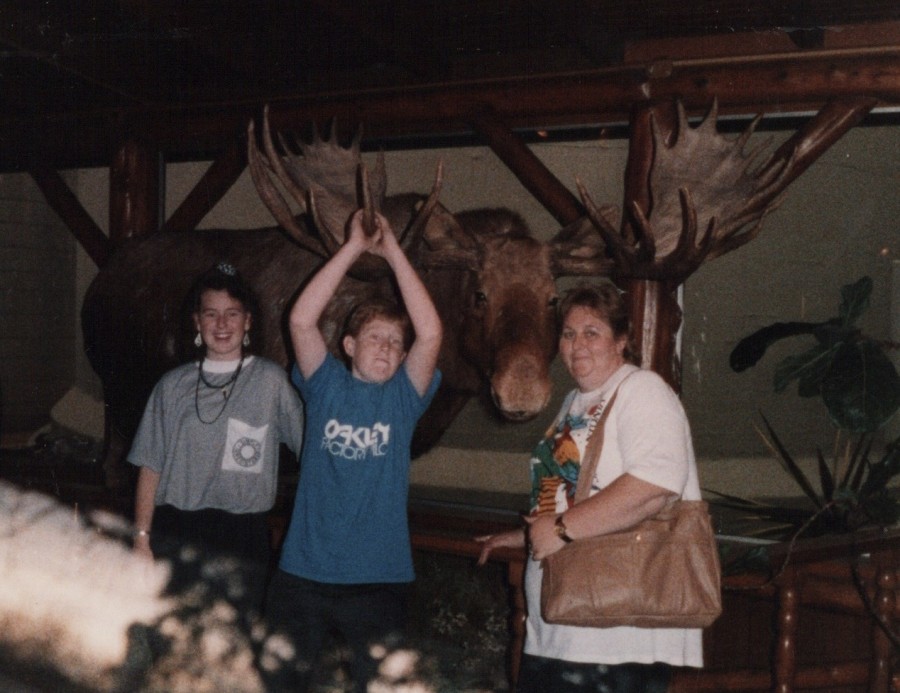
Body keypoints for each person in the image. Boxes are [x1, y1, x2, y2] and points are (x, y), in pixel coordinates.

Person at [477, 282, 703, 693]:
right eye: (568, 333)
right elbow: (576, 491)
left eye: (592, 331)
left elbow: (656, 485)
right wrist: (528, 533)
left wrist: (562, 529)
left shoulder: (642, 391)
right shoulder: (574, 402)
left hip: (615, 635)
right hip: (562, 622)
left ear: (622, 340)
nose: (577, 343)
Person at [262, 209, 442, 692]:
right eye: (375, 337)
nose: (386, 348)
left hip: (379, 580)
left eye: (394, 343)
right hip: (303, 573)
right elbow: (300, 319)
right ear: (347, 344)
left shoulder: (402, 400)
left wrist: (392, 251)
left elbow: (431, 333)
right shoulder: (325, 388)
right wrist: (353, 247)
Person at [128, 262, 305, 614]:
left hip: (243, 535)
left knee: (235, 651)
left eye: (232, 314)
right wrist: (141, 541)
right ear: (197, 322)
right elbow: (150, 467)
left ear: (248, 320)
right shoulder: (172, 386)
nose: (222, 325)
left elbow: (314, 456)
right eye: (211, 314)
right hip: (178, 530)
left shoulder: (271, 382)